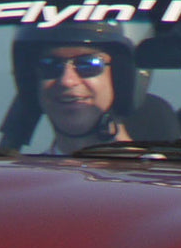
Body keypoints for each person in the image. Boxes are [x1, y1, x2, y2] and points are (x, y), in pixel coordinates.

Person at [11, 21, 145, 153]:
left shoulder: (154, 174)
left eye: (87, 64)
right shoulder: (16, 174)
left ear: (119, 77)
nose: (67, 81)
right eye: (50, 65)